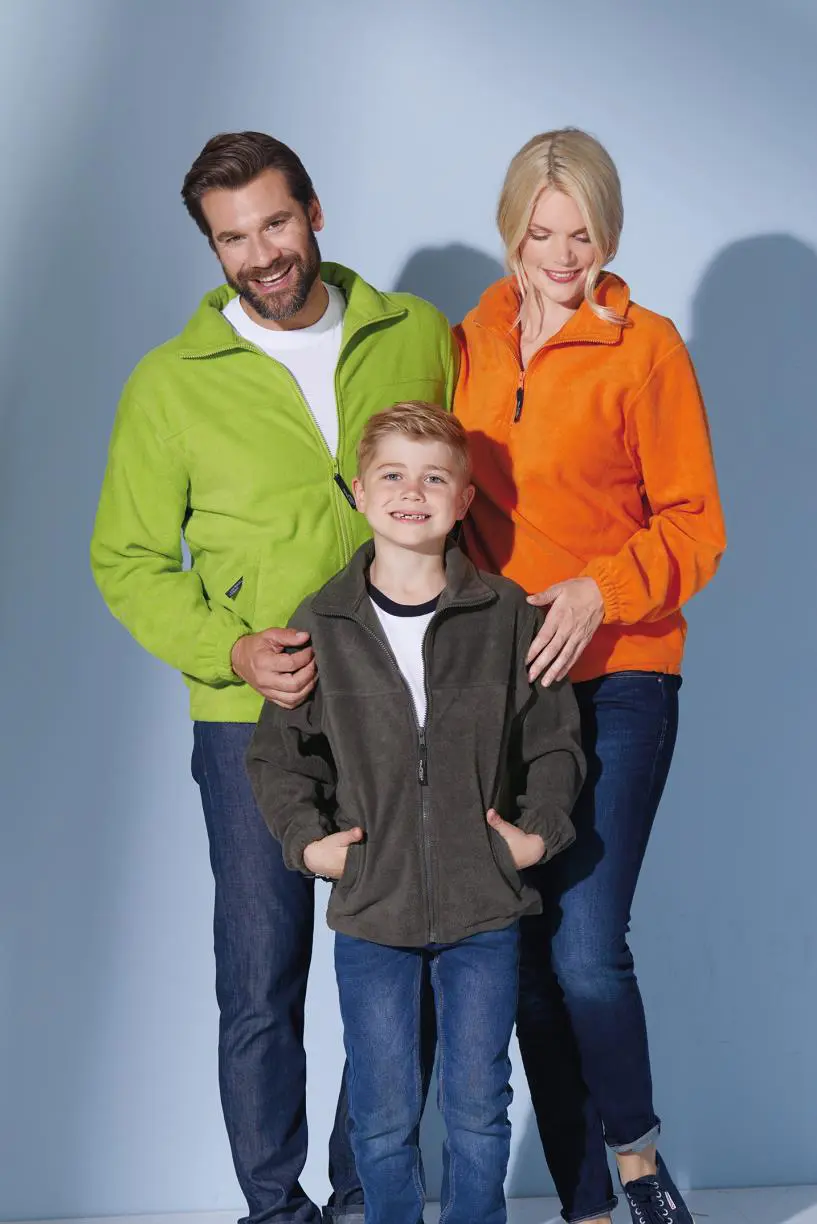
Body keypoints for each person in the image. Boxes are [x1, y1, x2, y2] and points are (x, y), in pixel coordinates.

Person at [90, 131, 456, 1224]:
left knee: (407, 959)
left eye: (276, 223)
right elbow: (127, 558)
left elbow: (463, 490)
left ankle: (363, 1197)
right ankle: (274, 1212)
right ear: (213, 249)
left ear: (315, 212)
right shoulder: (170, 384)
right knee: (260, 977)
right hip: (252, 716)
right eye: (232, 238)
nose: (260, 255)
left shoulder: (413, 333)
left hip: (402, 704)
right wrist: (232, 649)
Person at [453, 128, 726, 1224]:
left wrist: (595, 591)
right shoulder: (468, 342)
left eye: (583, 234)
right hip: (505, 687)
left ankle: (639, 1166)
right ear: (511, 228)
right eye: (541, 232)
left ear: (607, 234)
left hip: (620, 676)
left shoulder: (645, 347)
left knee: (583, 947)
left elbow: (696, 528)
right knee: (520, 947)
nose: (562, 256)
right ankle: (584, 1205)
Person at [246, 402, 585, 1224]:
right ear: (359, 494)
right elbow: (280, 757)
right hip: (372, 909)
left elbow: (554, 742)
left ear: (464, 500)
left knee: (477, 1107)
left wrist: (536, 837)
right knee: (382, 1111)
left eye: (435, 478)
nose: (412, 492)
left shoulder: (506, 614)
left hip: (484, 907)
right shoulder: (322, 622)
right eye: (392, 475)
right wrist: (310, 847)